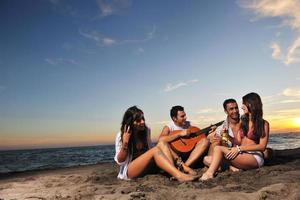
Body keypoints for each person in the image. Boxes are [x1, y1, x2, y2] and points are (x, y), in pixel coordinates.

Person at [114, 106, 198, 182]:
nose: (143, 122)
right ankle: (179, 175)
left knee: (162, 143)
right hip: (130, 171)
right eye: (138, 120)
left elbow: (150, 149)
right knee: (155, 150)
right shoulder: (121, 136)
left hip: (147, 167)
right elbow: (120, 161)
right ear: (130, 122)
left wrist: (163, 150)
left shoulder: (146, 130)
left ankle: (177, 170)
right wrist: (125, 143)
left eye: (143, 118)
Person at [200, 92, 270, 180]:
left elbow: (262, 146)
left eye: (243, 104)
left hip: (254, 157)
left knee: (218, 149)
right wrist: (227, 136)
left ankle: (209, 174)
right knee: (207, 159)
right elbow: (238, 142)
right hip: (241, 154)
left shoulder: (263, 123)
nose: (241, 107)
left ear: (250, 104)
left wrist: (239, 149)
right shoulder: (244, 121)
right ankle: (231, 167)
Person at [159, 105, 210, 175]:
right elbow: (161, 139)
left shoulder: (189, 124)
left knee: (205, 140)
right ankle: (183, 167)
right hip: (176, 156)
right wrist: (179, 134)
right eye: (182, 116)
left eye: (185, 115)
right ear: (174, 118)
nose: (185, 118)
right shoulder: (169, 126)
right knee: (164, 144)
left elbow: (199, 136)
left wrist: (208, 131)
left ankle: (185, 166)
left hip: (190, 155)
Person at [204, 99, 241, 168]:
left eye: (236, 108)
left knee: (207, 160)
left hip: (242, 152)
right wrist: (211, 137)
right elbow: (213, 139)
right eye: (231, 109)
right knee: (216, 142)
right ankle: (226, 166)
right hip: (229, 154)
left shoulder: (245, 122)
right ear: (226, 111)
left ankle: (222, 166)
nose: (235, 111)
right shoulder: (222, 128)